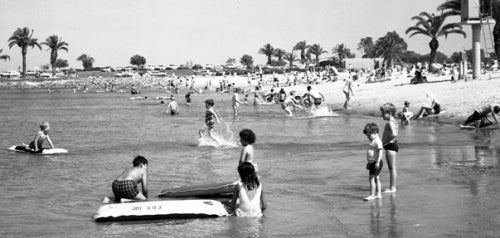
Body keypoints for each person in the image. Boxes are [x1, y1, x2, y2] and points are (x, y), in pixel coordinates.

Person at [362, 123, 384, 201]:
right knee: (376, 178)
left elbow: (380, 151)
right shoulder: (373, 140)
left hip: (376, 162)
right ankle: (378, 194)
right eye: (367, 136)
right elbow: (372, 153)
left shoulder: (377, 141)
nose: (368, 137)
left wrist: (377, 162)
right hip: (373, 162)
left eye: (369, 136)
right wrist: (369, 162)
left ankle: (372, 195)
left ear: (375, 132)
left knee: (371, 178)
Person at [380, 103, 399, 193]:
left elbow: (394, 134)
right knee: (392, 168)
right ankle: (392, 187)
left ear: (390, 113)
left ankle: (393, 188)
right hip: (391, 146)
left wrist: (387, 141)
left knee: (392, 168)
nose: (382, 115)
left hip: (390, 146)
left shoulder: (390, 122)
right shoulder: (393, 121)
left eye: (383, 113)